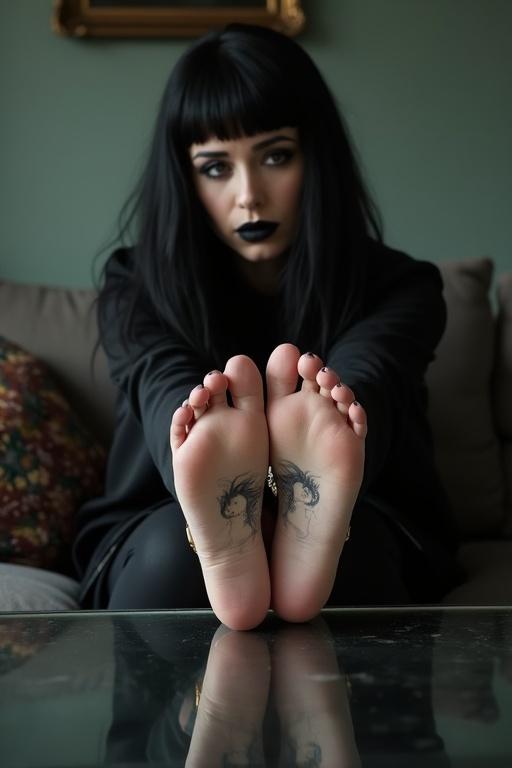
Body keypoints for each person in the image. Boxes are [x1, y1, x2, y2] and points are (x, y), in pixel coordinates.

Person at [72, 23, 463, 630]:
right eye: (215, 167)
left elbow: (371, 377)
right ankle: (227, 511)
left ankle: (311, 507)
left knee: (352, 473)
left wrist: (335, 422)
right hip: (160, 521)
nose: (249, 195)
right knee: (169, 549)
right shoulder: (136, 286)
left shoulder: (399, 287)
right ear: (184, 177)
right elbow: (161, 389)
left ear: (317, 156)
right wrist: (200, 442)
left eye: (275, 156)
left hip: (364, 515)